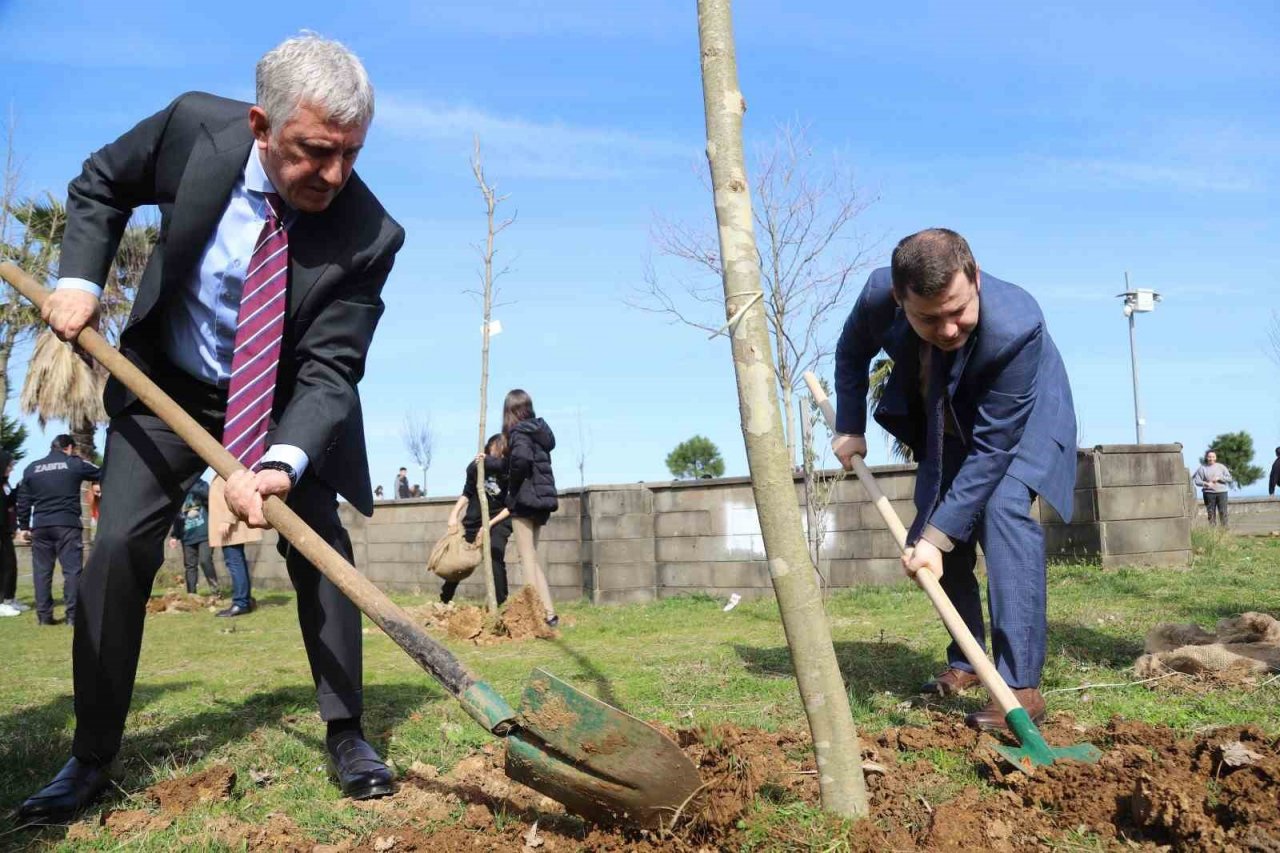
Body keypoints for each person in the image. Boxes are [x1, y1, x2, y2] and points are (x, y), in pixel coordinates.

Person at [18, 34, 405, 825]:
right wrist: (80, 278)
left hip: (287, 400)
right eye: (314, 152)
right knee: (118, 547)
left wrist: (284, 461)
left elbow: (332, 369)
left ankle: (347, 731)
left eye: (351, 154)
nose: (334, 175)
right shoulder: (195, 128)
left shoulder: (369, 233)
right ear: (262, 126)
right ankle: (90, 754)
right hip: (168, 389)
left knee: (322, 551)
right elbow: (100, 183)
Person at [833, 229, 1077, 731]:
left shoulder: (1017, 326)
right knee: (936, 526)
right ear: (901, 300)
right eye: (929, 317)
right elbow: (850, 352)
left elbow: (994, 448)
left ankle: (1019, 685)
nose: (947, 328)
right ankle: (967, 661)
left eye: (958, 311)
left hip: (1020, 422)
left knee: (1001, 506)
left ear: (976, 278)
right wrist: (849, 426)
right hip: (946, 415)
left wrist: (937, 539)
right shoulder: (878, 298)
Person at [14, 435, 101, 626]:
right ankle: (73, 616)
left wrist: (23, 527)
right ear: (69, 448)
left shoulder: (32, 468)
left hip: (41, 526)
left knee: (42, 572)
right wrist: (95, 483)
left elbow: (23, 500)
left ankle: (44, 617)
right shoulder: (73, 464)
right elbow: (102, 472)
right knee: (72, 572)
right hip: (67, 524)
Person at [503, 389, 560, 627]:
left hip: (525, 500)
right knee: (532, 558)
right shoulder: (539, 432)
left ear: (510, 411)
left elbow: (521, 460)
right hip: (542, 501)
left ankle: (534, 616)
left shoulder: (518, 432)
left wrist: (512, 488)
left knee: (525, 558)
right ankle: (549, 614)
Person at [442, 434, 513, 606]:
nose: (497, 455)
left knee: (495, 554)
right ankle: (445, 598)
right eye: (495, 450)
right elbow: (467, 493)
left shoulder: (509, 470)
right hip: (474, 521)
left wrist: (488, 525)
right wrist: (454, 514)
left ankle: (500, 603)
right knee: (460, 560)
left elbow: (511, 506)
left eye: (501, 451)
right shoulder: (477, 468)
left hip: (499, 521)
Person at [209, 474, 262, 617]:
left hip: (231, 527)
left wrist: (228, 519)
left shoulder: (227, 466)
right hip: (231, 526)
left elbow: (236, 492)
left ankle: (241, 603)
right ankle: (245, 600)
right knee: (237, 562)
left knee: (234, 562)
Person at [168, 480, 220, 596]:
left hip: (204, 533)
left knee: (205, 561)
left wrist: (191, 486)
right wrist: (174, 535)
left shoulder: (201, 485)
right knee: (190, 566)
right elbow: (178, 515)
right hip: (187, 536)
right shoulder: (178, 490)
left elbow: (210, 497)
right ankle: (192, 594)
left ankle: (216, 592)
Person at [0, 450, 24, 617]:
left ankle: (9, 598)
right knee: (4, 566)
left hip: (5, 531)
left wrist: (18, 488)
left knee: (11, 566)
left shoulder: (5, 484)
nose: (11, 469)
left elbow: (8, 502)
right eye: (9, 465)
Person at [1192, 449, 1233, 527]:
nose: (1211, 458)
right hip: (1208, 494)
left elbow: (1230, 478)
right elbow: (1197, 481)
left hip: (1222, 493)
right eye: (1209, 457)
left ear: (1216, 457)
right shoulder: (1202, 468)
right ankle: (1213, 533)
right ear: (1207, 458)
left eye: (1213, 457)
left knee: (1223, 512)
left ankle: (1224, 532)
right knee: (1211, 513)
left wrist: (1219, 478)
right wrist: (1206, 484)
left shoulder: (1221, 467)